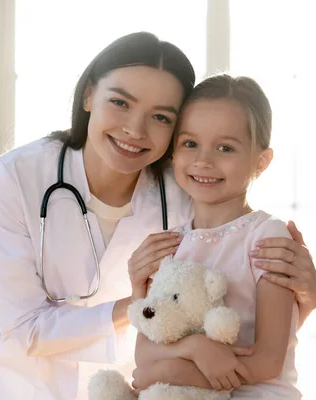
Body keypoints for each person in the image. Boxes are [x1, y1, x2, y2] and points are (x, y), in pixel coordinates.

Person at [0, 32, 316, 400]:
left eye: (160, 117)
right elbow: (25, 325)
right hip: (25, 383)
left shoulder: (188, 184)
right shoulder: (17, 175)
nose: (135, 130)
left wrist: (306, 294)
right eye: (120, 102)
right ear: (89, 93)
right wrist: (141, 308)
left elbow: (244, 307)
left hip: (157, 384)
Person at [131, 75, 305, 399]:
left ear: (261, 161)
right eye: (190, 143)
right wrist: (196, 347)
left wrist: (172, 370)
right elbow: (145, 354)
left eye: (225, 147)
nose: (203, 160)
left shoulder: (266, 237)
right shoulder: (170, 244)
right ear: (173, 151)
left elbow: (267, 361)